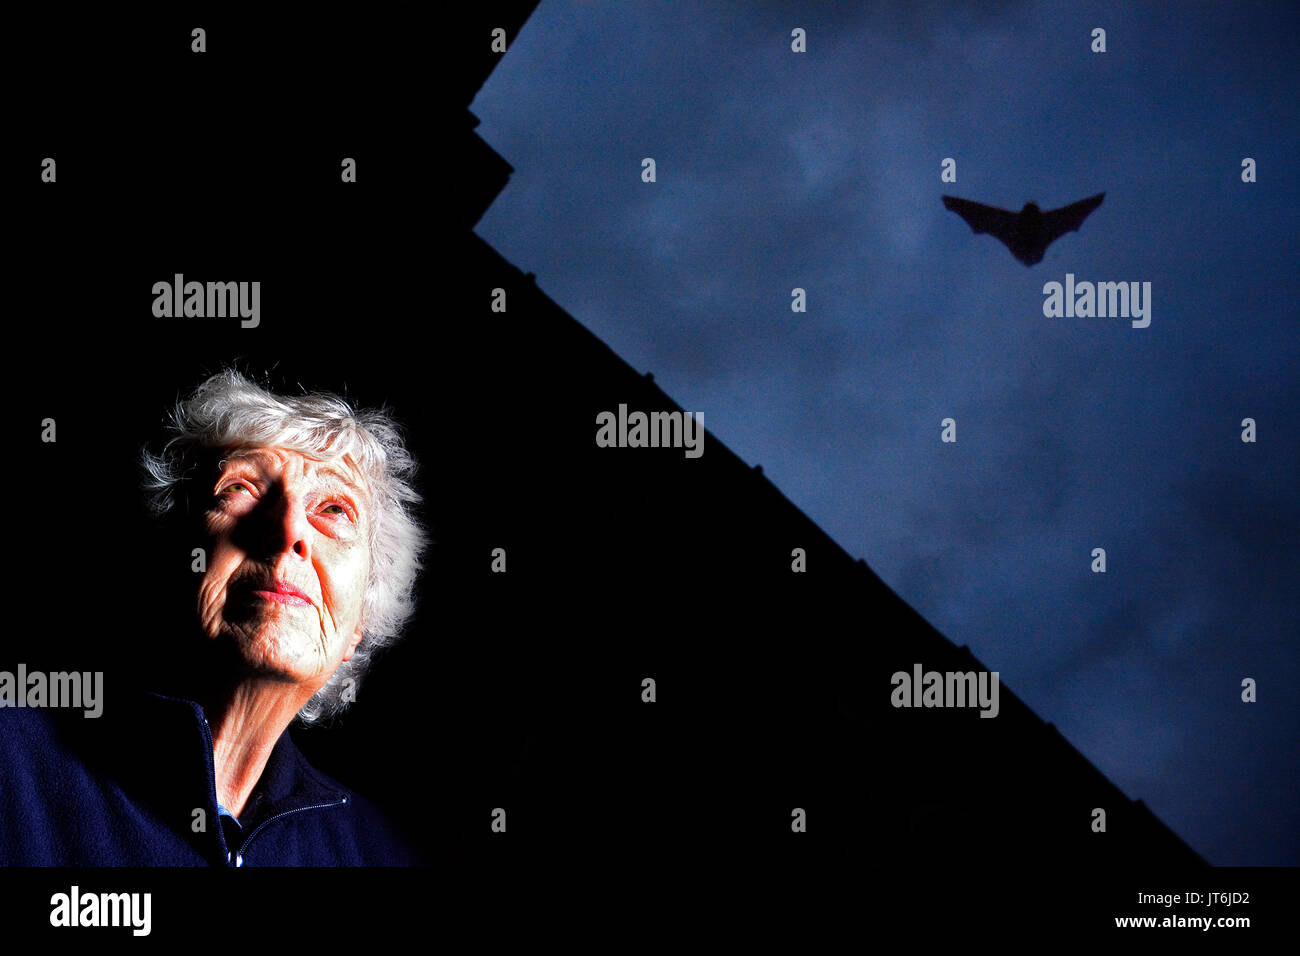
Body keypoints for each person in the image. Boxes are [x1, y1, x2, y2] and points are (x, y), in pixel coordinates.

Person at [0, 369, 428, 866]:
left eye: (334, 509)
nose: (288, 531)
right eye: (241, 488)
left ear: (360, 621)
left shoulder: (380, 855)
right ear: (168, 552)